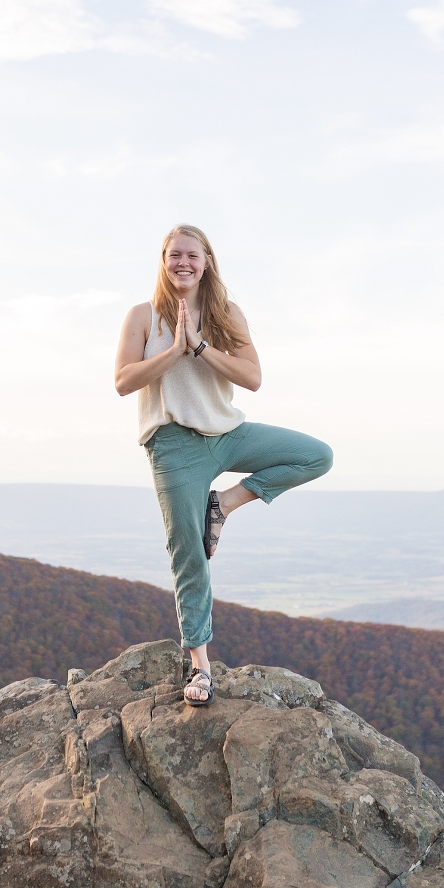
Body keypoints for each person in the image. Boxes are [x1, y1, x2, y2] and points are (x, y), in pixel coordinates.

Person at [115, 225, 333, 706]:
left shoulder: (225, 313)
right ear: (163, 260)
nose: (183, 263)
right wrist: (173, 350)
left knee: (316, 455)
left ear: (207, 261)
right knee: (188, 552)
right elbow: (124, 381)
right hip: (174, 445)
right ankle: (200, 665)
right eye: (175, 255)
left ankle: (225, 504)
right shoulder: (143, 316)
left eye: (192, 255)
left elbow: (252, 378)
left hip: (228, 434)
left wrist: (199, 347)